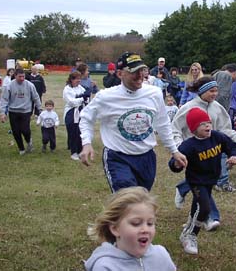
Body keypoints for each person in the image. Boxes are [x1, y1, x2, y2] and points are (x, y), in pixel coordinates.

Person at [79, 52, 187, 192]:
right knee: (128, 201)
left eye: (141, 70)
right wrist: (86, 143)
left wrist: (174, 151)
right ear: (119, 74)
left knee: (141, 198)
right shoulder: (105, 97)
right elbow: (86, 118)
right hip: (118, 157)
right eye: (133, 72)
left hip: (146, 158)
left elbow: (163, 123)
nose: (140, 75)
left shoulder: (154, 93)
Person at [172, 77, 236, 229]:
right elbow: (175, 129)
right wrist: (179, 147)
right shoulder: (189, 107)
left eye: (216, 90)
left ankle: (184, 190)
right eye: (211, 91)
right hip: (193, 154)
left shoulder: (218, 108)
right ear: (202, 91)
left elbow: (225, 130)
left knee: (206, 182)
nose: (215, 94)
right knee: (203, 184)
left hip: (212, 151)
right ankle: (210, 217)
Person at [169, 108, 236, 255]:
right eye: (202, 124)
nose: (208, 126)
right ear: (193, 129)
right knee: (204, 208)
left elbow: (233, 147)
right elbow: (174, 163)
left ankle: (189, 227)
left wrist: (235, 156)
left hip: (211, 180)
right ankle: (190, 235)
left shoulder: (217, 137)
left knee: (197, 208)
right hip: (197, 181)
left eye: (208, 122)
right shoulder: (188, 146)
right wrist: (176, 164)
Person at [84, 186, 176, 271]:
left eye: (150, 223)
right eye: (136, 223)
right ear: (115, 229)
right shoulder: (105, 266)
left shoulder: (161, 255)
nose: (145, 229)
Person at [0, 68, 41, 155]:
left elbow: (36, 97)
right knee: (16, 131)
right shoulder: (9, 86)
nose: (22, 78)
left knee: (25, 130)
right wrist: (3, 113)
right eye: (20, 77)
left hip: (25, 111)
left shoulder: (29, 85)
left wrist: (39, 109)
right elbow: (4, 100)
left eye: (23, 76)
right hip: (13, 111)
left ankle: (29, 142)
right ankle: (21, 148)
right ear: (15, 76)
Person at [63, 71, 87, 161]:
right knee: (73, 132)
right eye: (77, 79)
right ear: (71, 80)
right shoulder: (67, 89)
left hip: (80, 111)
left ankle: (80, 151)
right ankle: (73, 152)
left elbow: (86, 98)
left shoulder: (80, 88)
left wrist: (84, 98)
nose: (79, 81)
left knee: (80, 132)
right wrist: (82, 98)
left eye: (79, 79)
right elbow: (71, 102)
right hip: (71, 112)